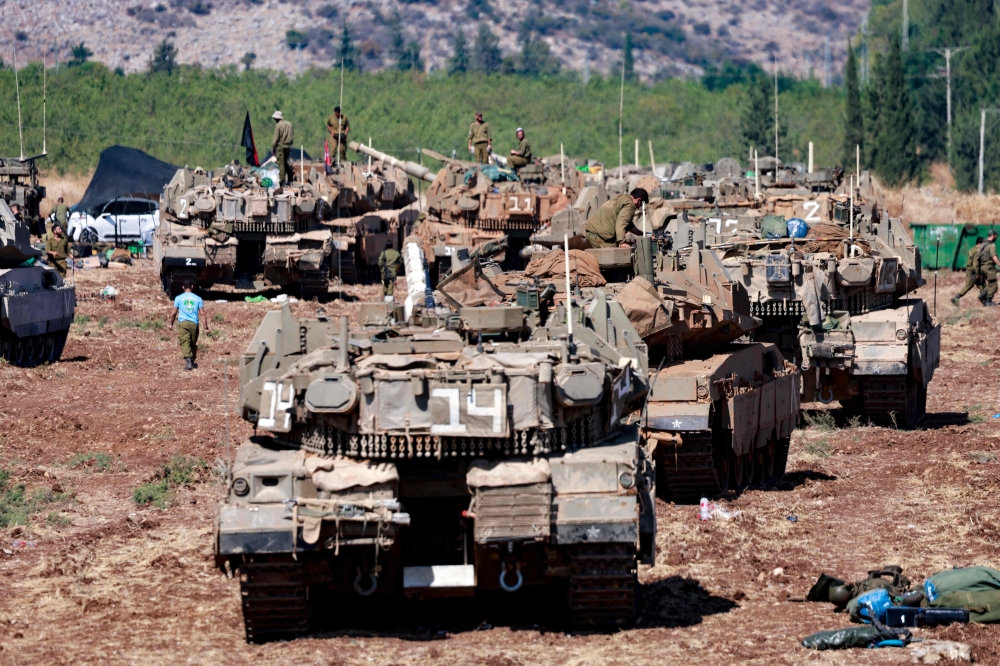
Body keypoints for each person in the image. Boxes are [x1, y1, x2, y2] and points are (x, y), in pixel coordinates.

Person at [584, 188, 649, 249]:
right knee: (614, 257)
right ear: (638, 200)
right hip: (599, 235)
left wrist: (643, 234)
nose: (638, 207)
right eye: (640, 205)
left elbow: (628, 225)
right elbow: (621, 224)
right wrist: (622, 242)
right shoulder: (630, 205)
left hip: (594, 231)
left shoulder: (623, 198)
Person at [169, 282, 209, 370]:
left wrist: (171, 323)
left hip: (183, 323)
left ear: (183, 287)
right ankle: (192, 359)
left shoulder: (178, 298)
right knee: (192, 342)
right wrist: (206, 327)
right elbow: (202, 314)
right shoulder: (198, 299)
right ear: (192, 286)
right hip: (194, 324)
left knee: (185, 341)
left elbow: (174, 313)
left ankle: (188, 360)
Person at [953, 236, 986, 306]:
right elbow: (975, 263)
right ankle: (956, 297)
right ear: (979, 243)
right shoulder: (977, 251)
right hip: (973, 271)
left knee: (982, 285)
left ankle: (984, 300)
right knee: (969, 285)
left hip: (970, 270)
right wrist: (978, 274)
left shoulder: (972, 249)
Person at [271, 110, 294, 185]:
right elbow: (292, 136)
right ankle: (290, 174)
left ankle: (283, 180)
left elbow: (276, 138)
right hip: (288, 146)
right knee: (284, 162)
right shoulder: (289, 124)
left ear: (277, 118)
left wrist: (273, 148)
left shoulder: (278, 126)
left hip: (280, 146)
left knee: (281, 163)